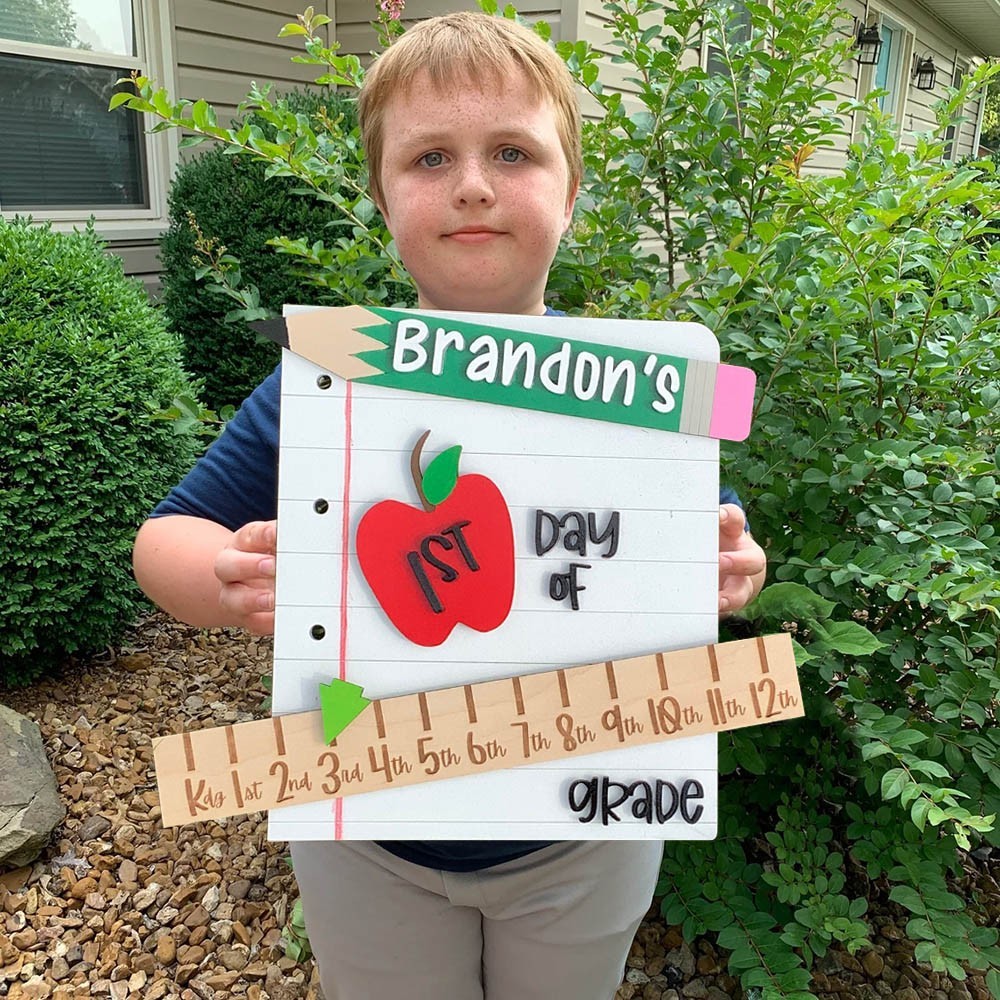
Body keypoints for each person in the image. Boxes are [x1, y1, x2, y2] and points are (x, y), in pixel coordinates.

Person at [133, 12, 767, 1000]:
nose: (472, 182)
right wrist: (223, 579)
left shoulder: (645, 388)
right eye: (430, 156)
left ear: (571, 192)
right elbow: (163, 538)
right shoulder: (327, 378)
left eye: (511, 150)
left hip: (586, 829)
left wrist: (732, 566)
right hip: (363, 832)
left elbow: (715, 541)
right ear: (382, 197)